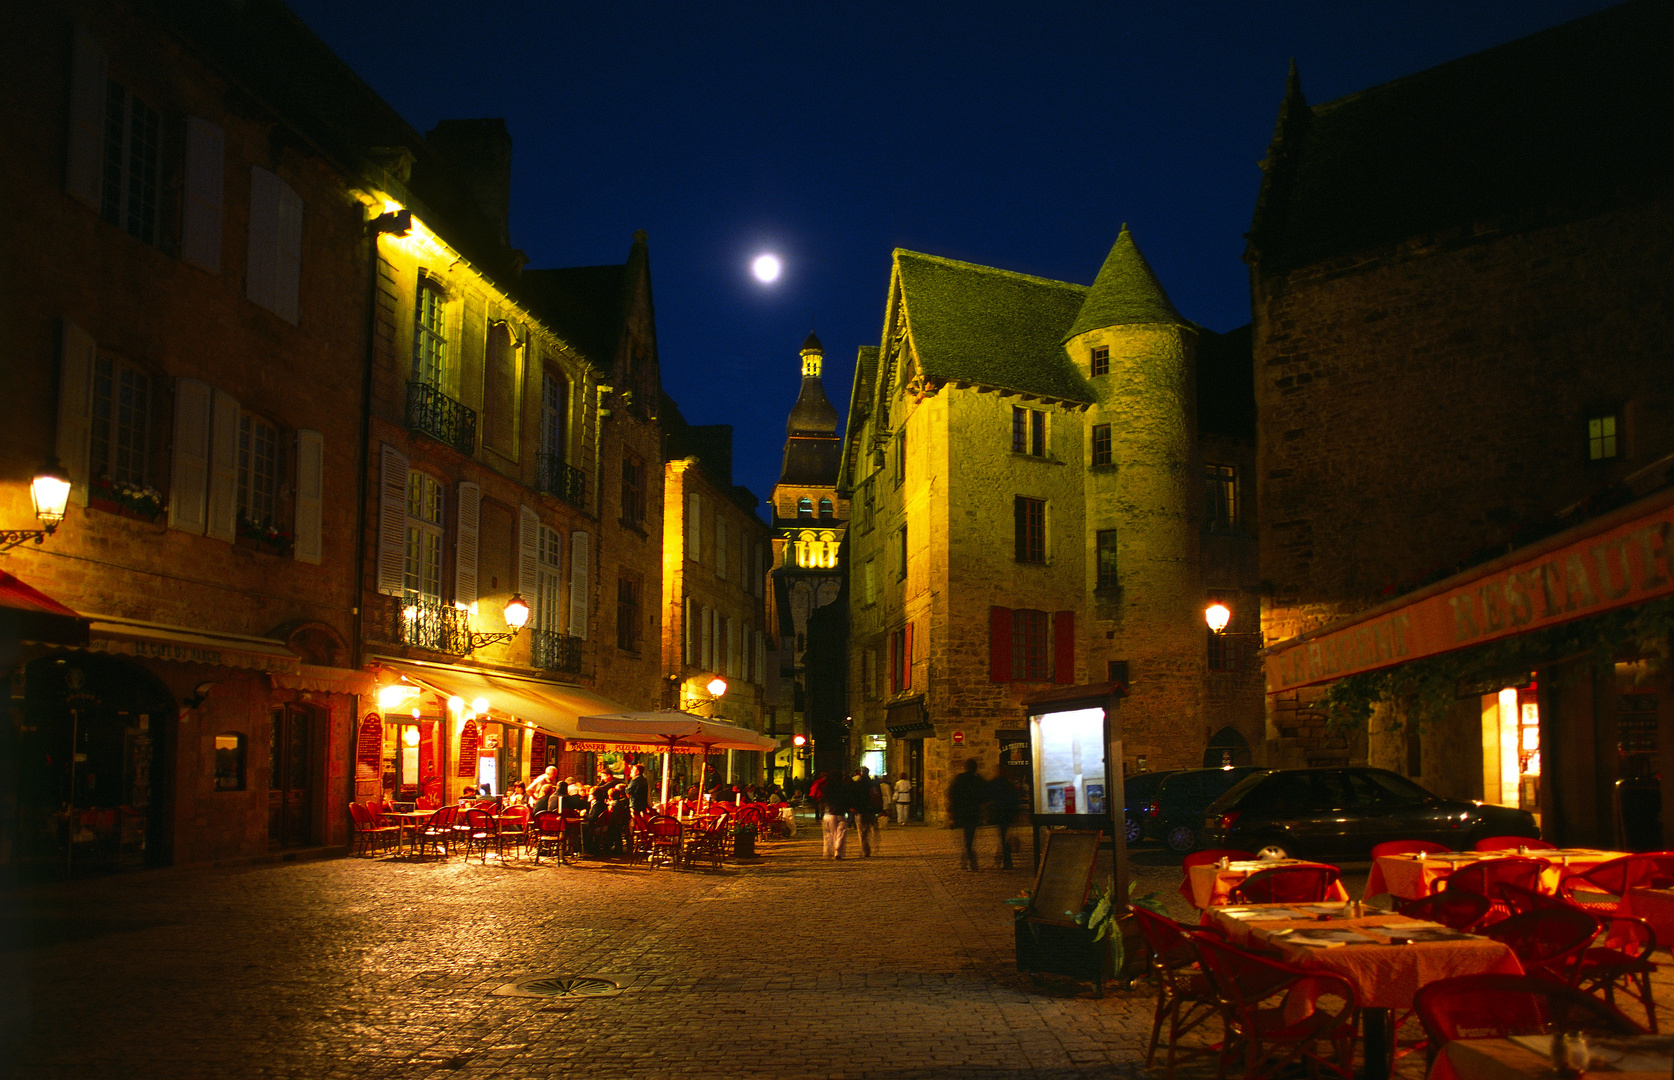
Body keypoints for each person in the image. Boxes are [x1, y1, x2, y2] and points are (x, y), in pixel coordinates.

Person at [948, 759, 987, 871]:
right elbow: (983, 794)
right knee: (969, 836)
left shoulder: (960, 778)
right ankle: (970, 861)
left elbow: (952, 794)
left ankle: (967, 860)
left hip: (962, 812)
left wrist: (952, 812)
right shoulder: (977, 779)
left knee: (968, 837)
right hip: (973, 812)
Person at [988, 766, 1022, 870]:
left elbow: (989, 795)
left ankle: (1006, 859)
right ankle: (1004, 859)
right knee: (1003, 836)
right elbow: (1014, 799)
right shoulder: (1008, 784)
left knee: (1003, 837)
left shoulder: (997, 783)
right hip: (1007, 814)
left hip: (1000, 814)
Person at [818, 771, 848, 859]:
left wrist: (821, 812)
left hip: (828, 814)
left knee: (828, 835)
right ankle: (838, 852)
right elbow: (847, 800)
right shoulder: (843, 788)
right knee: (840, 834)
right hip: (840, 813)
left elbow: (821, 800)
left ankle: (828, 852)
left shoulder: (825, 788)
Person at [854, 766, 882, 856]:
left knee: (862, 831)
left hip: (861, 810)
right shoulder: (873, 783)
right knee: (873, 828)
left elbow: (855, 798)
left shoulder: (858, 784)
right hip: (872, 810)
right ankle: (875, 846)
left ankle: (865, 850)